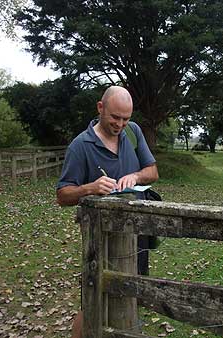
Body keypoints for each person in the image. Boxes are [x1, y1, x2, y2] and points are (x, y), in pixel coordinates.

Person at [56, 85, 159, 338]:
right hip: (100, 239)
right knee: (93, 297)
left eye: (126, 118)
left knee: (132, 291)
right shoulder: (80, 146)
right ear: (100, 108)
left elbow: (153, 172)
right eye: (115, 117)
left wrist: (135, 176)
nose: (120, 124)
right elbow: (62, 195)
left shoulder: (133, 133)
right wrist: (89, 188)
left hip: (137, 234)